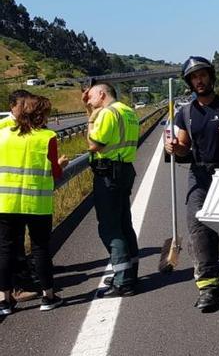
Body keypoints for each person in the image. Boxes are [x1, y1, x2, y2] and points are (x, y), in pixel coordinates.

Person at [165, 56, 219, 312]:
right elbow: (183, 148)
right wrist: (174, 147)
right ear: (189, 83)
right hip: (199, 176)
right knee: (199, 230)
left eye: (202, 75)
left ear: (210, 77)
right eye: (194, 77)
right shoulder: (186, 112)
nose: (199, 80)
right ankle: (209, 287)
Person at [0, 94, 69, 315]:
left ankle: (5, 300)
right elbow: (55, 172)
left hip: (5, 202)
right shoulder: (47, 136)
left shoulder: (3, 134)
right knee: (40, 249)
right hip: (36, 203)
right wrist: (61, 164)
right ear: (40, 115)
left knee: (5, 250)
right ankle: (48, 297)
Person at [84, 82, 141, 297]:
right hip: (124, 170)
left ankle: (123, 282)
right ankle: (130, 272)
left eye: (90, 97)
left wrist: (91, 117)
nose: (89, 100)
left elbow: (93, 144)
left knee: (109, 228)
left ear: (101, 94)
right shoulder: (127, 111)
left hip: (108, 174)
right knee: (124, 224)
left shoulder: (107, 113)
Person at [1, 90, 42, 302]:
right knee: (10, 245)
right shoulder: (5, 128)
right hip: (9, 196)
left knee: (14, 243)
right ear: (12, 106)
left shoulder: (29, 127)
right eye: (23, 106)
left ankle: (17, 284)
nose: (28, 110)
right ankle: (13, 288)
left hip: (19, 195)